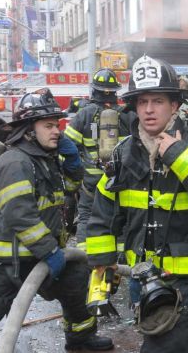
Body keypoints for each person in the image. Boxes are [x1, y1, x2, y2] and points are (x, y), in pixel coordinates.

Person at [85, 56, 188, 352]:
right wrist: (102, 259)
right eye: (142, 102)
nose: (149, 109)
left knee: (163, 346)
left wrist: (178, 155)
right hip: (143, 274)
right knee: (186, 342)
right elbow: (103, 207)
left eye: (157, 101)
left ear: (175, 105)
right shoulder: (124, 153)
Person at [0, 88, 113, 350]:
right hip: (8, 261)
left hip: (43, 255)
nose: (57, 131)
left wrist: (73, 163)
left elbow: (68, 190)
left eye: (57, 125)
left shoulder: (45, 160)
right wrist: (50, 251)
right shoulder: (16, 162)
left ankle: (81, 338)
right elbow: (20, 215)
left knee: (77, 280)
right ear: (28, 130)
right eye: (49, 126)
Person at [64, 68, 133, 247]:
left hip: (91, 181)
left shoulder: (84, 114)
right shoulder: (127, 114)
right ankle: (121, 255)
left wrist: (75, 175)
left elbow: (67, 146)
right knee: (123, 216)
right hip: (120, 179)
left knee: (87, 216)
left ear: (94, 90)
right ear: (115, 91)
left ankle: (84, 254)